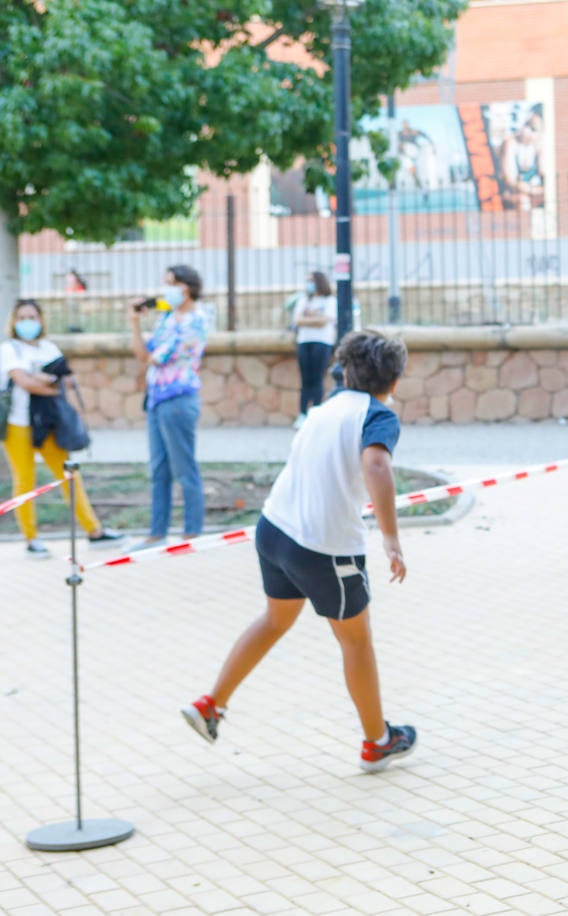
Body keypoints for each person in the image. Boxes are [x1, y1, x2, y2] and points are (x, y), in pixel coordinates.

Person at [182, 330, 416, 773]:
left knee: (275, 619)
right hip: (325, 548)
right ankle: (377, 741)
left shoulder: (322, 410)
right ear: (394, 382)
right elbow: (376, 464)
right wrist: (390, 537)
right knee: (356, 641)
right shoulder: (377, 414)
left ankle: (211, 705)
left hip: (274, 531)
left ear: (345, 370)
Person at [2, 300, 124, 558]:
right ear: (14, 321)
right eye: (22, 317)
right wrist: (45, 381)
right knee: (25, 481)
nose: (28, 321)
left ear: (41, 320)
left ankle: (94, 531)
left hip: (48, 424)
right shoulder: (9, 349)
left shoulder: (49, 347)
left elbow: (64, 380)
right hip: (17, 425)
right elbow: (24, 382)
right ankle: (31, 539)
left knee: (69, 475)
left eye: (32, 316)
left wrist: (42, 381)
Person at [127, 265, 209, 551]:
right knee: (159, 469)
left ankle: (192, 534)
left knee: (185, 468)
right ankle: (156, 533)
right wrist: (135, 322)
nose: (166, 290)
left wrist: (145, 345)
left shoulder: (194, 322)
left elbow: (153, 358)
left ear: (186, 287)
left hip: (178, 399)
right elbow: (142, 353)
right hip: (157, 399)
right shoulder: (167, 318)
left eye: (170, 284)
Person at [292, 271, 339, 430]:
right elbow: (297, 320)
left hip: (323, 342)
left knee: (318, 378)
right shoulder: (303, 301)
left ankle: (316, 413)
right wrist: (316, 319)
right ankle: (303, 413)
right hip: (304, 341)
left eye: (311, 281)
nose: (308, 284)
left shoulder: (330, 301)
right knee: (306, 379)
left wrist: (308, 320)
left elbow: (325, 321)